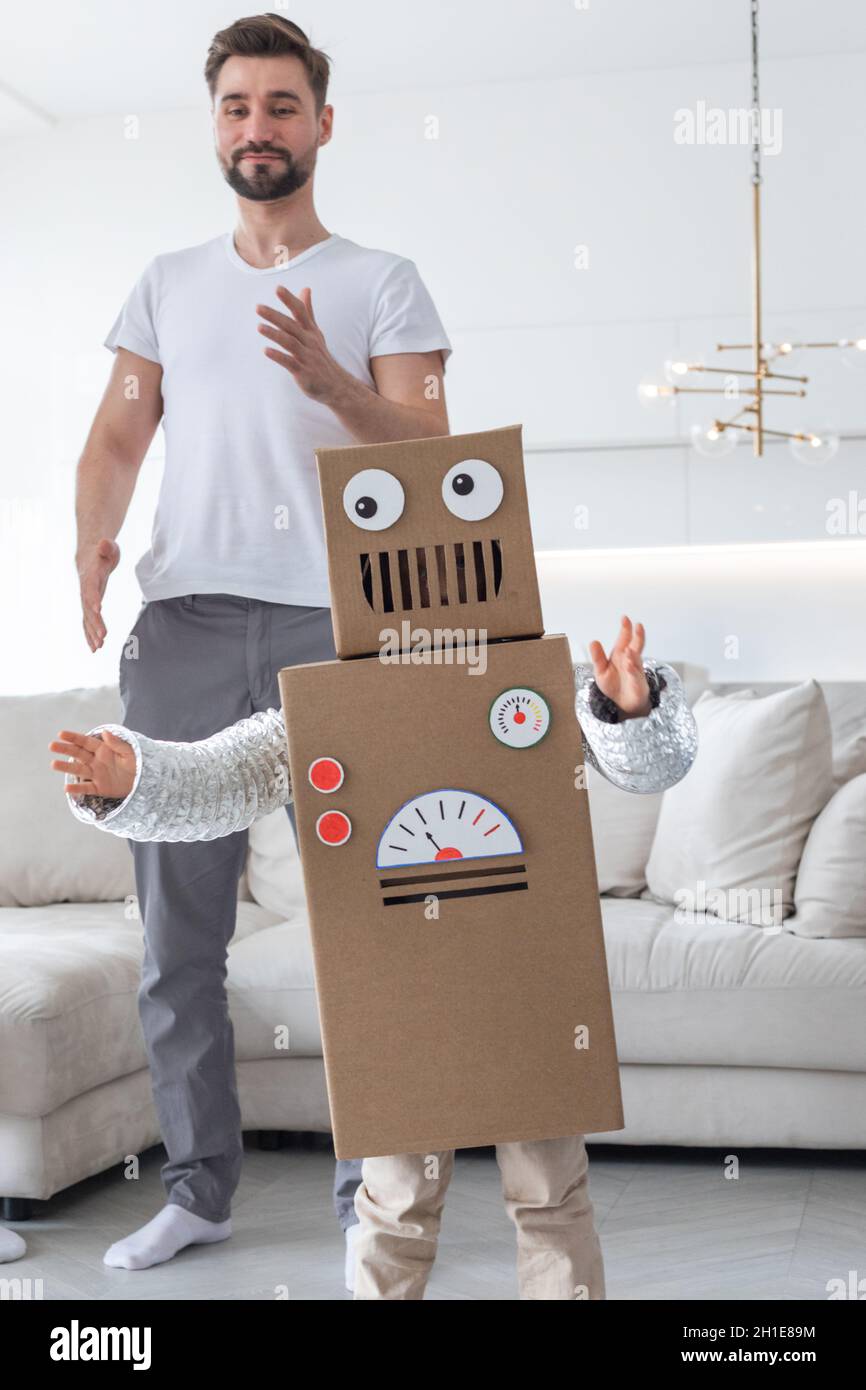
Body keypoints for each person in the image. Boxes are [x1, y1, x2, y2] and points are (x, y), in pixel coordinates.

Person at [73, 14, 452, 1280]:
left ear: (321, 125)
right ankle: (197, 1191)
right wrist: (93, 546)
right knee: (178, 936)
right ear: (216, 125)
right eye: (237, 107)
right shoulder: (168, 282)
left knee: (365, 930)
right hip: (182, 628)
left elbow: (428, 453)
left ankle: (372, 1207)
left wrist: (331, 382)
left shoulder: (380, 279)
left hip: (335, 627)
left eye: (281, 107)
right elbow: (118, 439)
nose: (258, 129)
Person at [50, 617, 700, 1298]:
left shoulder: (538, 683)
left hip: (526, 986)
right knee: (393, 1206)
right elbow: (227, 776)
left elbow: (651, 764)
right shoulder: (329, 703)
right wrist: (136, 778)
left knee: (549, 1193)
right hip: (399, 995)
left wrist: (628, 708)